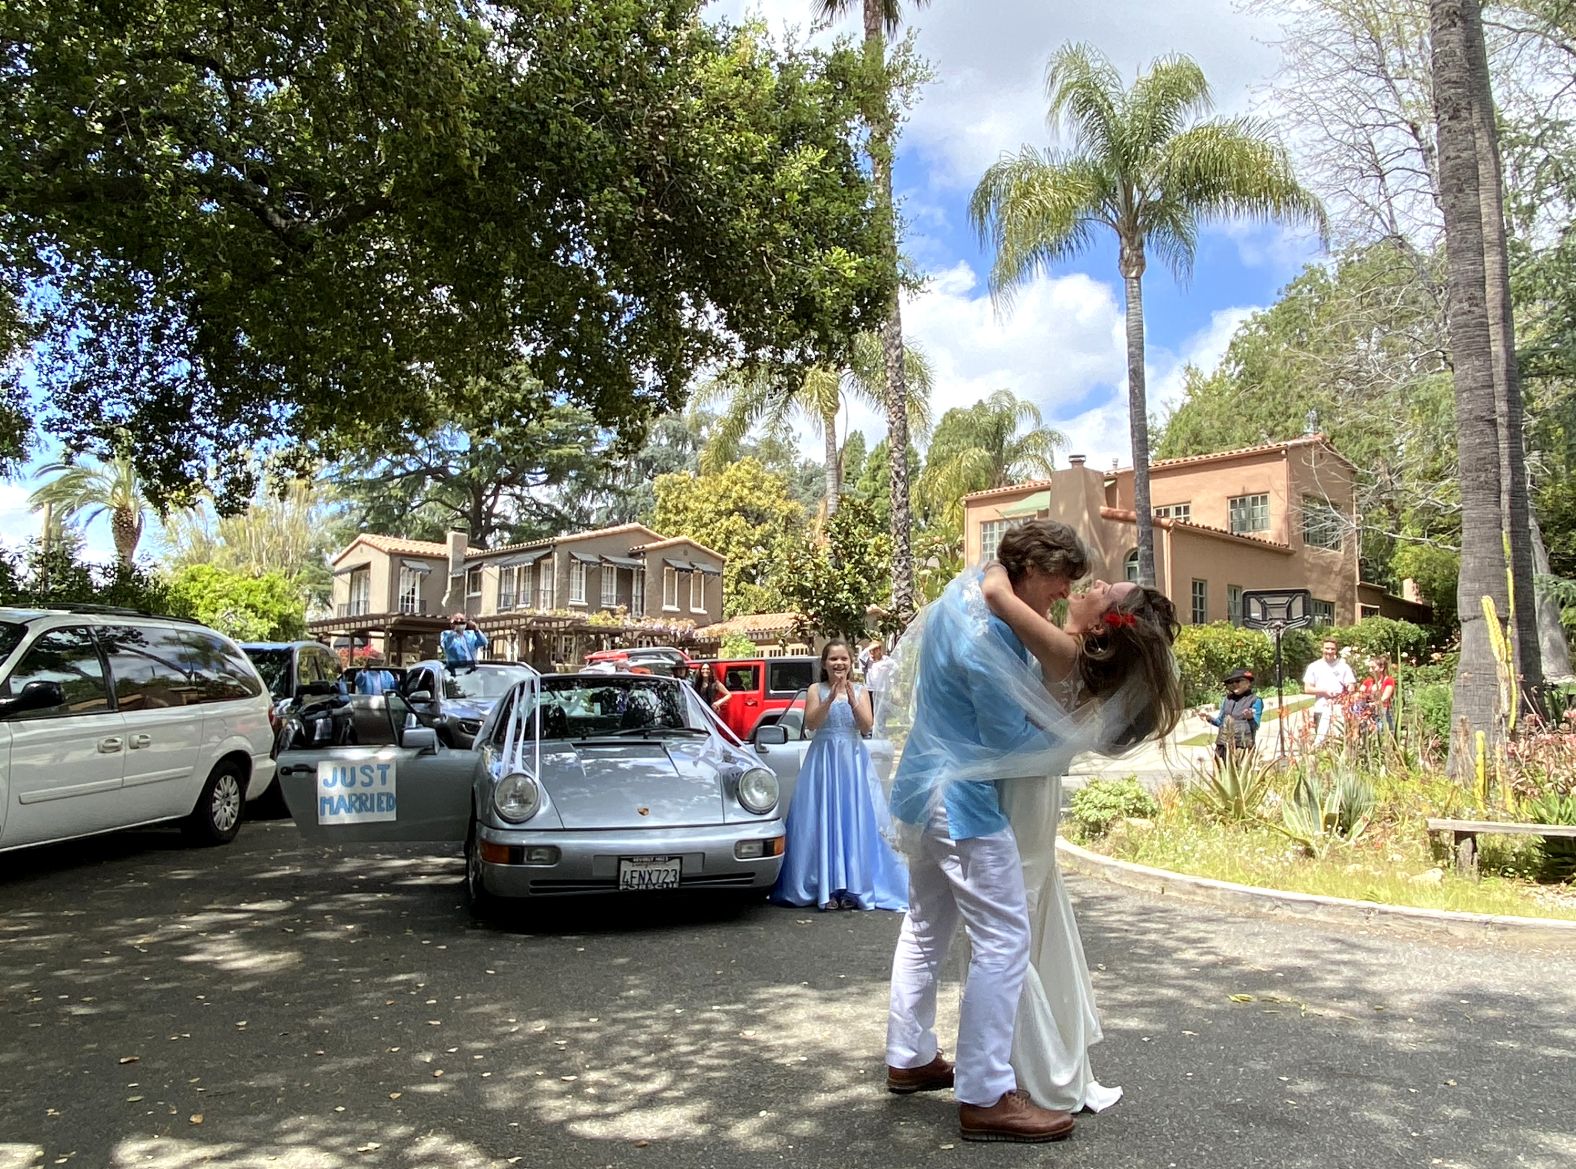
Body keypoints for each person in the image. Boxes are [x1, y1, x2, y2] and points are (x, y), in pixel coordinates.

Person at [884, 519, 1091, 1144]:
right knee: (1005, 937)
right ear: (1031, 568)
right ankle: (985, 1093)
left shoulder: (966, 591)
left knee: (924, 928)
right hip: (963, 802)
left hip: (921, 787)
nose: (1060, 599)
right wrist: (1076, 733)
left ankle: (910, 1056)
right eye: (1058, 586)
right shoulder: (990, 633)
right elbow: (1008, 743)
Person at [974, 563, 1184, 1117]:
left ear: (1100, 627)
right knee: (1028, 928)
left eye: (1100, 593)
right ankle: (1033, 1061)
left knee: (1005, 935)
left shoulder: (1062, 651)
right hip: (1032, 796)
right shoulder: (1077, 657)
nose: (1089, 587)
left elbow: (995, 591)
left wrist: (1010, 561)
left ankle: (1031, 1073)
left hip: (1019, 802)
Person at [771, 640, 908, 912]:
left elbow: (867, 726)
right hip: (823, 759)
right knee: (822, 820)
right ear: (824, 663)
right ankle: (826, 886)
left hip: (852, 762)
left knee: (853, 820)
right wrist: (830, 699)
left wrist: (853, 699)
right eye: (833, 659)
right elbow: (811, 724)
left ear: (851, 662)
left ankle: (853, 887)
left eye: (844, 659)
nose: (839, 664)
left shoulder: (860, 690)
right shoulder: (815, 690)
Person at [1199, 667, 1263, 764]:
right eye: (1231, 682)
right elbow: (1220, 722)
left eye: (1238, 681)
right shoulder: (1227, 699)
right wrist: (1208, 717)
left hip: (1243, 746)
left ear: (1248, 682)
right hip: (1222, 745)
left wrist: (1250, 718)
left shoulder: (1255, 700)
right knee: (1220, 773)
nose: (1234, 684)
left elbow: (1255, 726)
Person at [1302, 637, 1355, 746]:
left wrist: (1347, 690)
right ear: (1322, 649)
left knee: (1339, 739)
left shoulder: (1343, 667)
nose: (1329, 651)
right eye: (1327, 648)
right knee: (1321, 740)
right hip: (1320, 707)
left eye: (1332, 649)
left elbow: (1351, 685)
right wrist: (1324, 692)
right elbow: (1307, 688)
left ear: (1336, 650)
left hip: (1339, 708)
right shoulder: (1314, 667)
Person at [1358, 654, 1396, 734]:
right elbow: (1360, 694)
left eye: (1373, 668)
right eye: (1369, 668)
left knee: (1381, 733)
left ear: (1381, 668)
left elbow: (1385, 697)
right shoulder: (1368, 681)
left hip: (1383, 712)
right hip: (1368, 712)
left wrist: (1375, 703)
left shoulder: (1389, 680)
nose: (1370, 670)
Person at [864, 641, 894, 728]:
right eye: (871, 650)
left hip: (882, 690)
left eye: (874, 650)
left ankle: (880, 731)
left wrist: (888, 676)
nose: (872, 652)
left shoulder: (886, 660)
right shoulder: (868, 660)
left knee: (880, 712)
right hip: (870, 689)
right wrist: (869, 648)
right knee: (870, 711)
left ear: (879, 650)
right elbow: (860, 657)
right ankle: (870, 730)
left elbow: (895, 667)